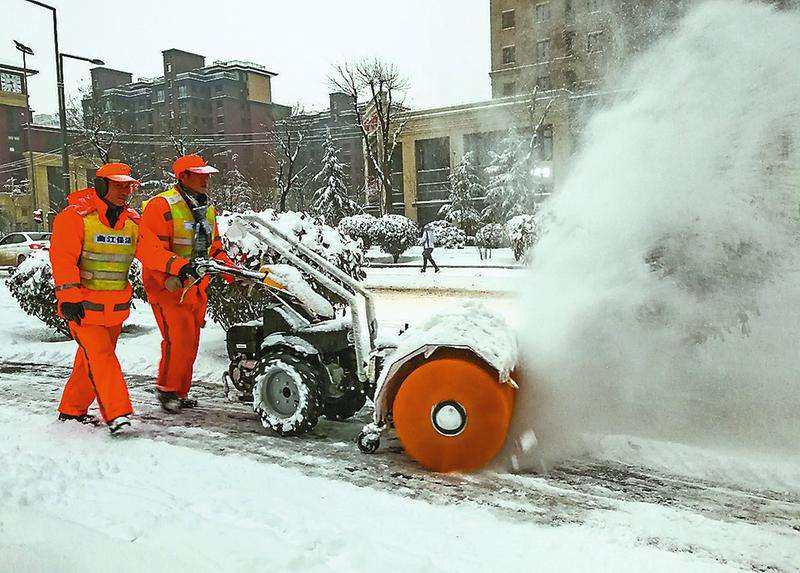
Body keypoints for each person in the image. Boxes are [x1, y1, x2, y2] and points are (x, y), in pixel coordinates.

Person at [50, 163, 193, 434]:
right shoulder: (75, 218)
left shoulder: (131, 223)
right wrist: (68, 297)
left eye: (128, 186)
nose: (124, 191)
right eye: (117, 185)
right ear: (102, 185)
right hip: (83, 310)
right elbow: (63, 259)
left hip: (114, 311)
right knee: (103, 359)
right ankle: (117, 413)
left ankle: (71, 410)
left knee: (89, 360)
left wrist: (178, 265)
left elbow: (152, 252)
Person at [141, 154, 234, 413]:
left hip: (195, 287)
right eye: (199, 175)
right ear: (183, 177)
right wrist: (176, 270)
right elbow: (149, 249)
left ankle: (180, 392)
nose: (206, 179)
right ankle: (166, 390)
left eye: (207, 175)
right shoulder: (161, 206)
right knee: (177, 340)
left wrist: (232, 272)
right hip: (168, 286)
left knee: (190, 342)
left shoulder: (206, 208)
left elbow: (214, 248)